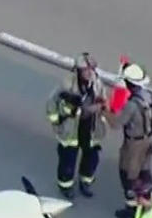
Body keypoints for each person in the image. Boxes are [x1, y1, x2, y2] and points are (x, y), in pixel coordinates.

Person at [46, 53, 109, 198]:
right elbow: (51, 102)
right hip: (71, 130)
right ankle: (65, 186)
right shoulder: (67, 85)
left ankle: (85, 182)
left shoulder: (97, 83)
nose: (89, 73)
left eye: (91, 69)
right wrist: (57, 121)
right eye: (85, 70)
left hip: (90, 128)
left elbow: (103, 99)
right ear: (78, 71)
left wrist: (102, 106)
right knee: (68, 161)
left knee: (91, 159)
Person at [105, 60, 152, 218]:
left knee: (127, 173)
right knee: (145, 170)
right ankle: (151, 201)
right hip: (150, 139)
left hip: (134, 143)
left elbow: (116, 123)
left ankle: (132, 206)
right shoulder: (151, 97)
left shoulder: (132, 106)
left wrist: (104, 110)